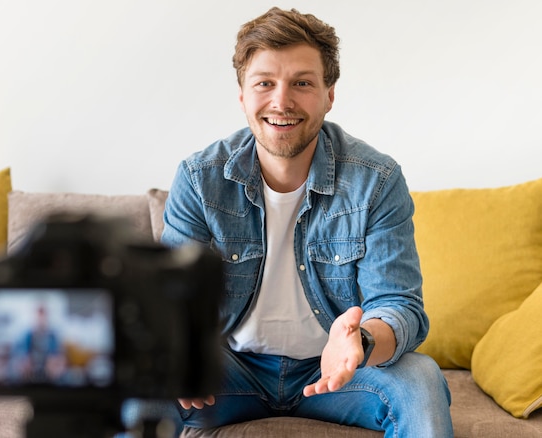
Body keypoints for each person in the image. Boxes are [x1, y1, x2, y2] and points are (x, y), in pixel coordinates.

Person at [158, 7, 454, 437]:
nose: (282, 101)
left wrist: (361, 342)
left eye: (302, 83)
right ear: (242, 94)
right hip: (228, 371)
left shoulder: (377, 180)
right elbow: (169, 301)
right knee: (136, 386)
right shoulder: (199, 178)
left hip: (339, 374)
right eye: (265, 83)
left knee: (422, 380)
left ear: (329, 94)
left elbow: (399, 304)